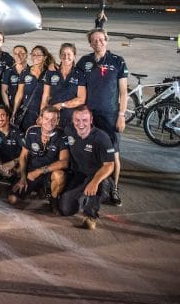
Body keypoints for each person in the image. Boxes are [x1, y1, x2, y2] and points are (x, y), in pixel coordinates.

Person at [76, 28, 127, 206]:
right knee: (90, 151)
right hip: (89, 116)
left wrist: (121, 115)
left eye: (101, 39)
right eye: (94, 40)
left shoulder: (118, 61)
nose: (98, 42)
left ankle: (114, 188)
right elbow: (79, 87)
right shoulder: (84, 62)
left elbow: (123, 92)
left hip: (110, 115)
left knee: (113, 154)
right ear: (90, 43)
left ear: (106, 40)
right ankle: (92, 184)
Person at [58, 106, 116, 229]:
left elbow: (110, 165)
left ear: (91, 120)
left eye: (84, 120)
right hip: (79, 174)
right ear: (72, 120)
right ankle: (84, 197)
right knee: (65, 209)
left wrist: (94, 181)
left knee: (101, 183)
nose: (81, 124)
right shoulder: (69, 130)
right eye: (77, 120)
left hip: (97, 175)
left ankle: (91, 215)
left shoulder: (102, 138)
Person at [9, 106, 68, 215]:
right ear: (40, 119)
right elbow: (23, 156)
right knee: (12, 199)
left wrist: (39, 172)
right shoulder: (31, 131)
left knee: (60, 176)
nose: (49, 122)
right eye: (46, 119)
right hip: (31, 172)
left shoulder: (62, 135)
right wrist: (22, 177)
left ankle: (53, 201)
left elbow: (64, 162)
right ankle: (39, 189)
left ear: (57, 121)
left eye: (53, 120)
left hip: (48, 173)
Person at [41, 43, 87, 128]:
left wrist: (62, 105)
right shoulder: (51, 72)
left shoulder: (79, 74)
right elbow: (45, 96)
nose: (66, 57)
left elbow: (81, 99)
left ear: (74, 56)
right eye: (63, 54)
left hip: (71, 119)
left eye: (69, 54)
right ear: (59, 55)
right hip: (52, 118)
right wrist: (41, 115)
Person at [12, 45, 54, 132]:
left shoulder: (49, 73)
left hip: (43, 113)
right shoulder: (25, 72)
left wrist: (42, 115)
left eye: (38, 55)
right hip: (27, 113)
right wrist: (14, 112)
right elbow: (19, 94)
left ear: (45, 57)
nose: (35, 57)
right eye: (33, 55)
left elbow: (47, 96)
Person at [1, 45, 28, 110]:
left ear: (26, 55)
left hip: (28, 108)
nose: (18, 56)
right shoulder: (8, 72)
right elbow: (4, 91)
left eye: (21, 53)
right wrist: (8, 107)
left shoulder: (31, 71)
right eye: (15, 54)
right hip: (12, 107)